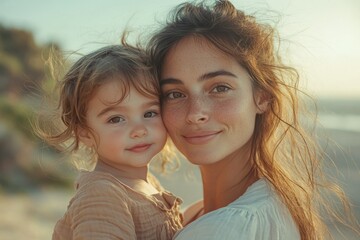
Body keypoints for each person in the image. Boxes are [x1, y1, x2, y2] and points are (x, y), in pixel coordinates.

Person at [147, 0, 358, 239]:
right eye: (175, 94)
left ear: (262, 97)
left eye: (219, 88)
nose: (195, 113)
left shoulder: (225, 228)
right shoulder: (211, 212)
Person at [35, 42, 183, 239]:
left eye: (149, 113)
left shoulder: (149, 185)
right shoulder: (101, 196)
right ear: (85, 133)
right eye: (116, 119)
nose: (139, 130)